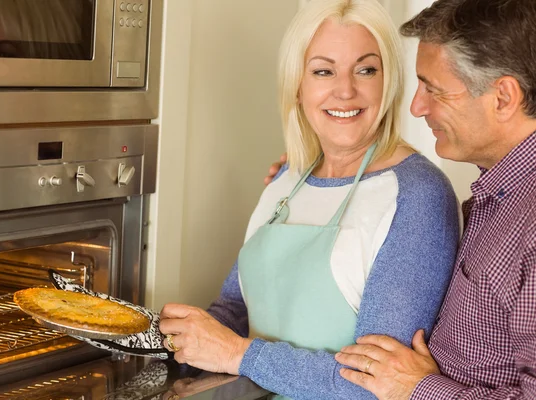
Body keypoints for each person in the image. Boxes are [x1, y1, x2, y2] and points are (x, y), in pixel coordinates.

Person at [159, 0, 460, 399]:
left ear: (388, 83)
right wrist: (166, 340)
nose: (346, 90)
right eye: (323, 71)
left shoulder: (418, 196)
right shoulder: (288, 178)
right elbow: (234, 308)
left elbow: (371, 386)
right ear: (297, 86)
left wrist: (237, 354)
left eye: (366, 70)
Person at [317, 0, 536, 398]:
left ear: (503, 97)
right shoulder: (500, 194)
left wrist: (419, 390)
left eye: (433, 89)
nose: (417, 107)